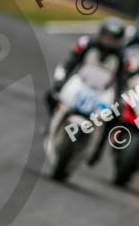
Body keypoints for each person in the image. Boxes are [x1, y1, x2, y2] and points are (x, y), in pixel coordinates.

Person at [47, 18, 127, 166]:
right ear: (101, 34)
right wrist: (60, 83)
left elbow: (122, 81)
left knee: (113, 118)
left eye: (112, 39)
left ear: (119, 41)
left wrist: (119, 101)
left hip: (103, 92)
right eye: (106, 36)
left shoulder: (122, 57)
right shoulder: (87, 45)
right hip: (80, 83)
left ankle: (97, 151)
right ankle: (49, 124)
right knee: (51, 96)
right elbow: (70, 63)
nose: (108, 41)